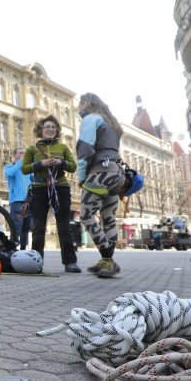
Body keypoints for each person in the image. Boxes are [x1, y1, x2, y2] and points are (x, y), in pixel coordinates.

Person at [21, 115, 80, 273]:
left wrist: (62, 163)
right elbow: (24, 168)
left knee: (64, 227)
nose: (50, 130)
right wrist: (40, 163)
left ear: (57, 131)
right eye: (47, 127)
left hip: (60, 188)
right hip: (39, 189)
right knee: (38, 227)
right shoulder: (32, 148)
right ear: (41, 130)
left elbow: (73, 167)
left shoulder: (63, 148)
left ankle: (70, 262)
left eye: (53, 128)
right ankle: (36, 263)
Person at [76, 92, 125, 278]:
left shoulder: (91, 119)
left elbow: (85, 149)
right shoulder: (113, 124)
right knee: (108, 218)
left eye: (80, 105)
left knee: (87, 216)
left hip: (100, 172)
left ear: (87, 103)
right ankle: (107, 260)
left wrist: (81, 176)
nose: (79, 109)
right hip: (116, 172)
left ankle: (108, 259)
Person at [4, 147, 32, 250]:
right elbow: (9, 174)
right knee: (17, 227)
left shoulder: (27, 169)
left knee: (27, 226)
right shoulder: (9, 167)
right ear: (15, 155)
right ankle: (13, 248)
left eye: (25, 153)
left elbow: (34, 179)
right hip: (16, 201)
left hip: (28, 201)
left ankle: (23, 249)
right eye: (21, 153)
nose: (23, 155)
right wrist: (20, 162)